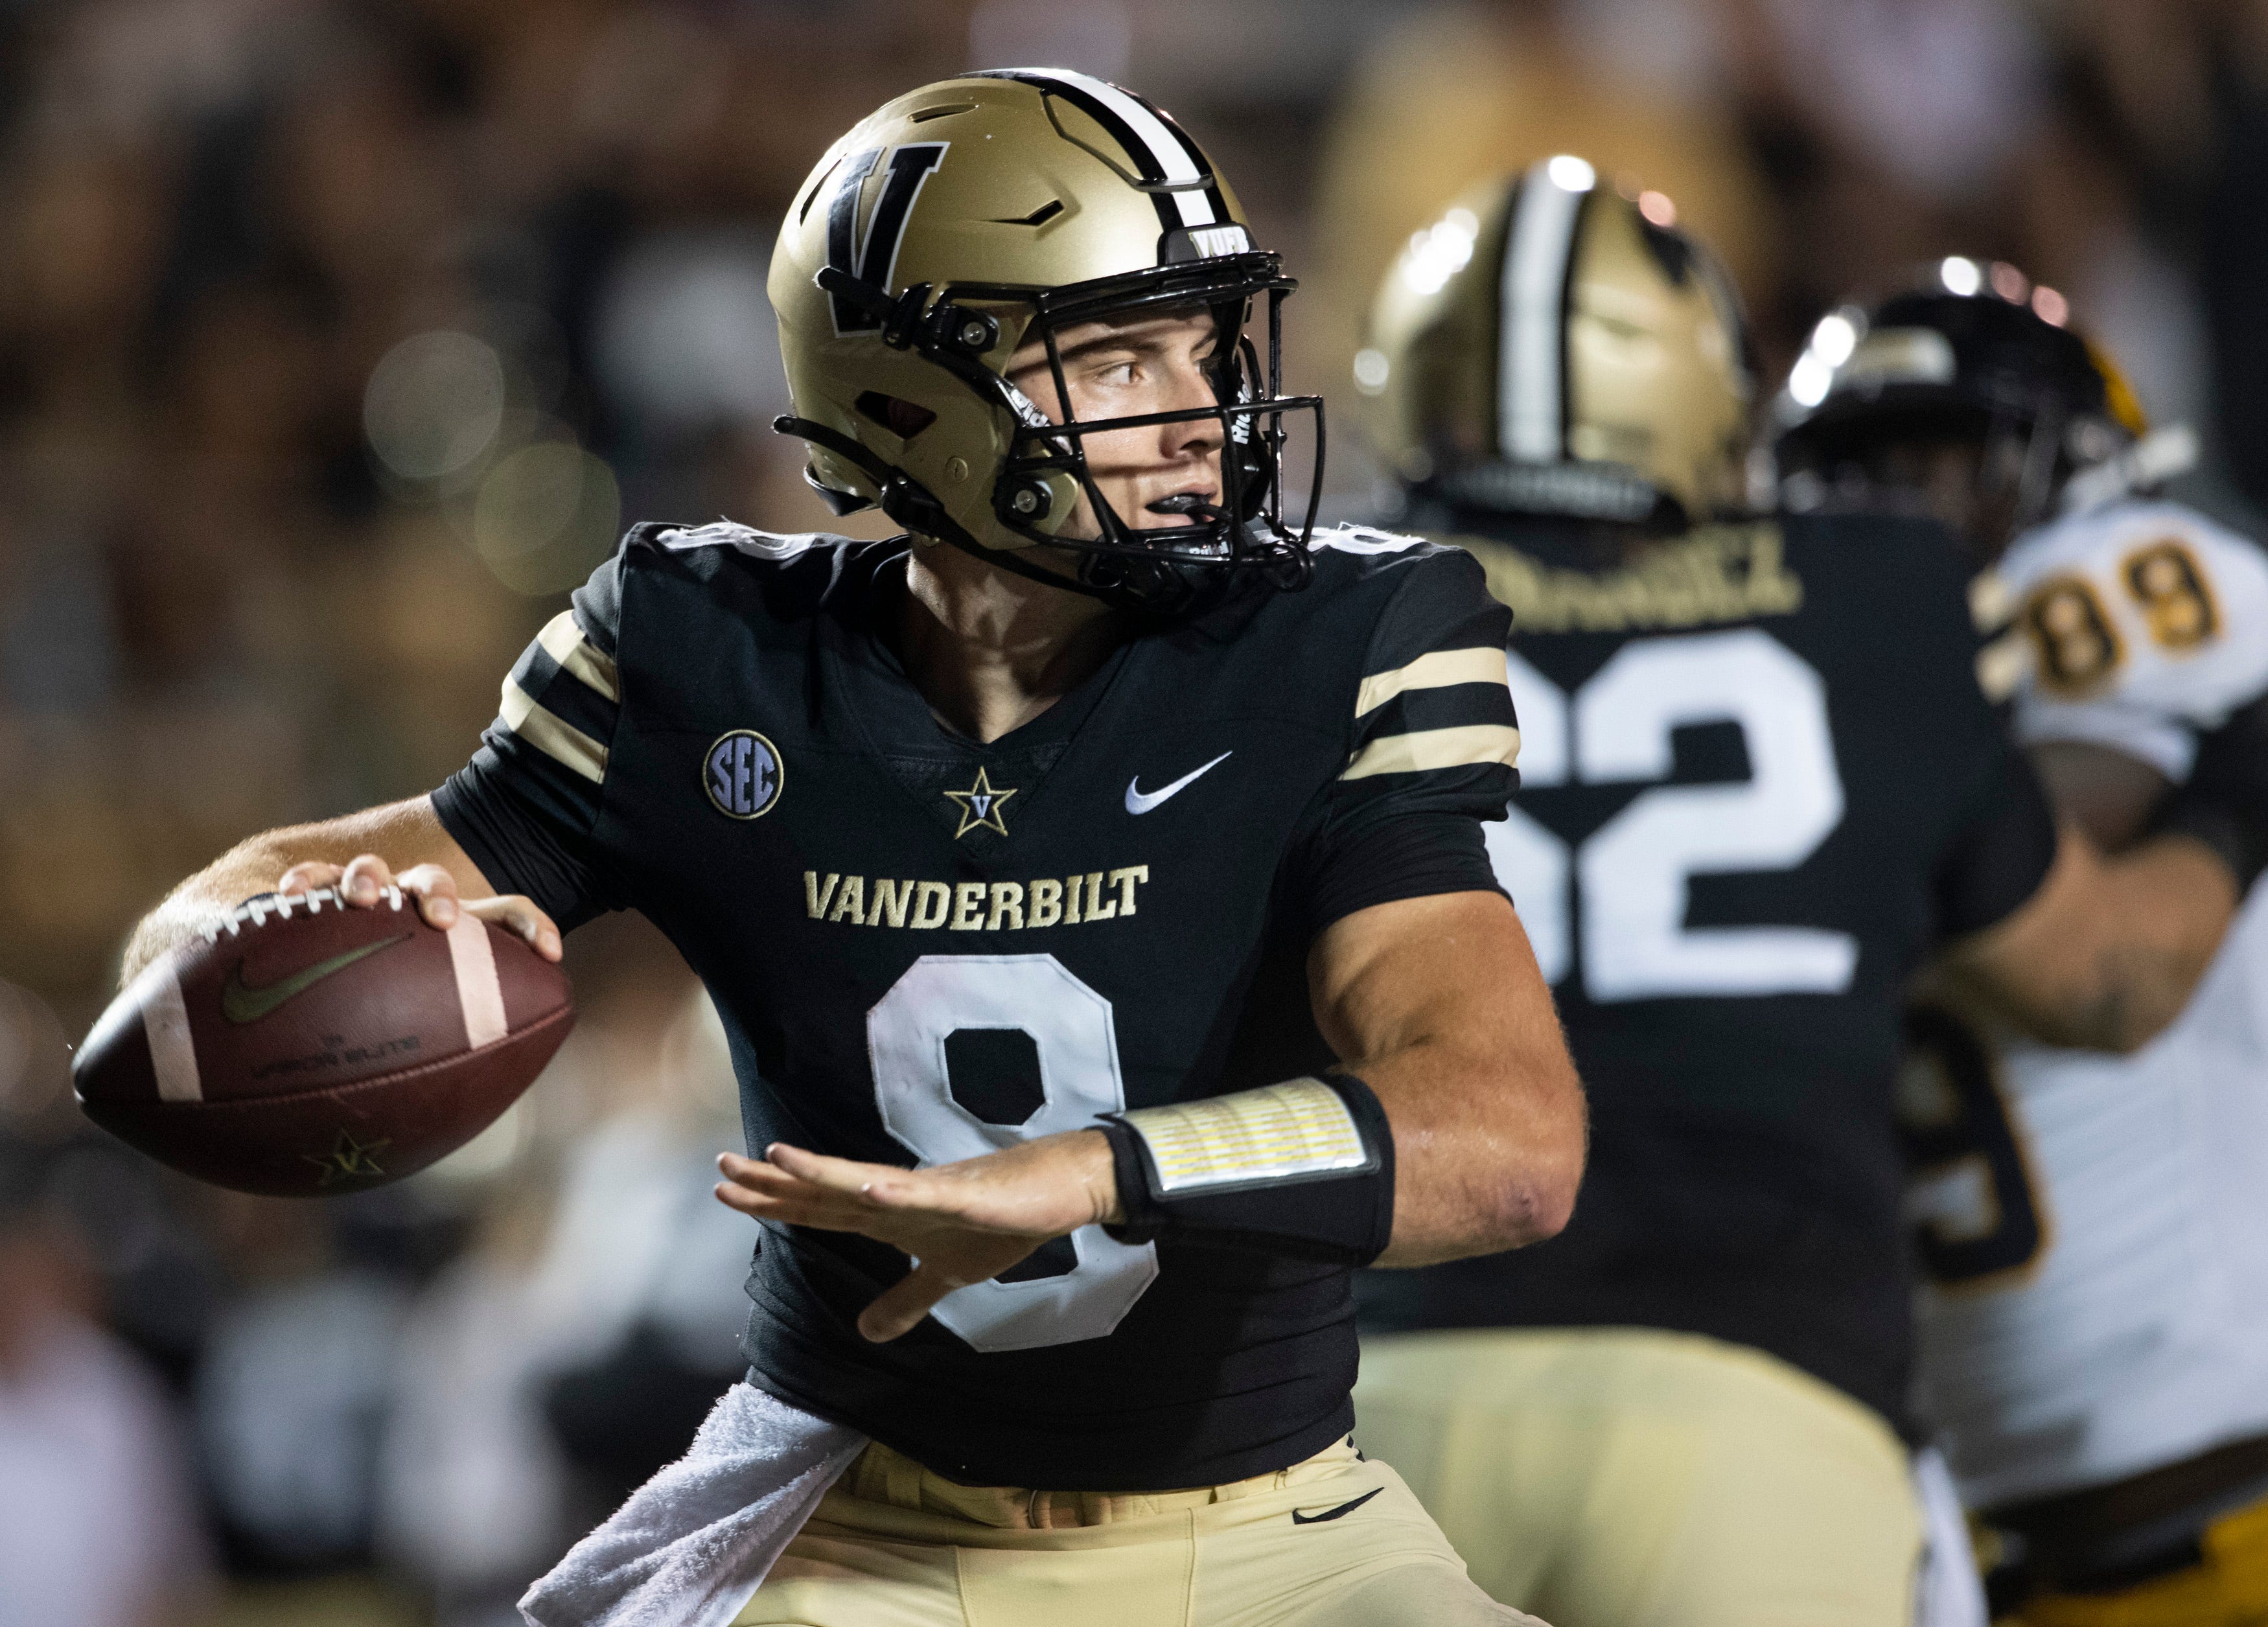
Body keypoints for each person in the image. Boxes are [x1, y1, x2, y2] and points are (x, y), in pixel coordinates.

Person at [117, 71, 1584, 1627]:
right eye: (1118, 355)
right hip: (862, 1520)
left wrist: (1093, 1170)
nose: (1199, 412)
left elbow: (1511, 1141)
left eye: (1206, 345)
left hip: (1279, 1524)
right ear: (905, 404)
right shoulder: (707, 655)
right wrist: (294, 935)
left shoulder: (1335, 643)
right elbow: (200, 940)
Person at [1345, 161, 2256, 1627]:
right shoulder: (1882, 600)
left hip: (1380, 1393)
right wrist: (2239, 781)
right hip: (1762, 1393)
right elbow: (2104, 973)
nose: (1906, 503)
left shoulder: (1311, 613)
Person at [1776, 264, 2268, 1625]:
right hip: (2002, 1543)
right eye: (1849, 473)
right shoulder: (1809, 702)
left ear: (2074, 463)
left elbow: (2028, 848)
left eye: (1937, 463)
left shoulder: (2114, 574)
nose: (1891, 513)